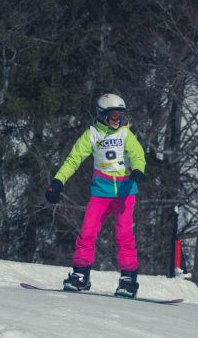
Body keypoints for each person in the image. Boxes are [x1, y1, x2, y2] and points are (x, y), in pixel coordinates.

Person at [45, 94, 146, 297]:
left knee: (124, 235)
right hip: (101, 191)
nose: (117, 118)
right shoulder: (91, 135)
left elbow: (137, 153)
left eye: (121, 114)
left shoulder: (126, 134)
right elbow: (73, 159)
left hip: (125, 192)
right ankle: (80, 274)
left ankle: (128, 279)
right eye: (113, 114)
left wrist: (138, 169)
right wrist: (58, 182)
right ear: (102, 114)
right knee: (88, 231)